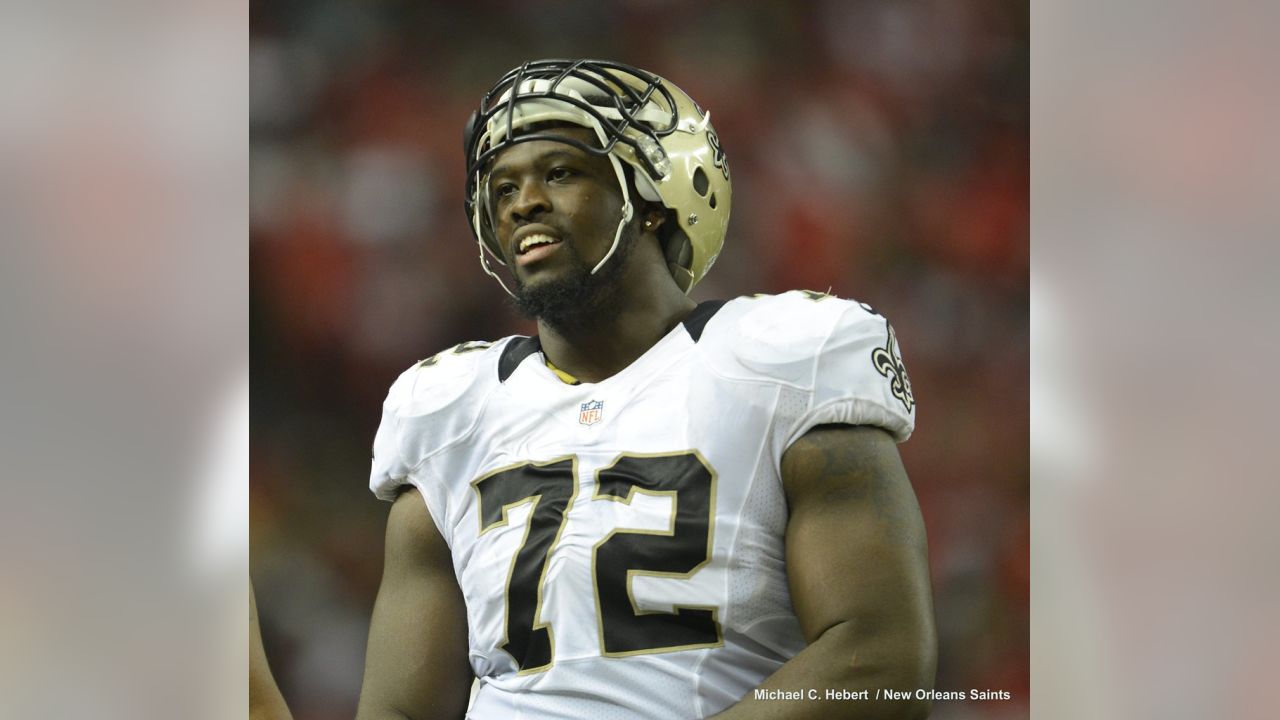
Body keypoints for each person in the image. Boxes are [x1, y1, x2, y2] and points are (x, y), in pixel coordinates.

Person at [357, 59, 936, 719]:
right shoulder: (447, 412)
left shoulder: (782, 361)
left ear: (658, 199)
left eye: (560, 173)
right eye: (502, 187)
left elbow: (883, 657)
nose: (523, 203)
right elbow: (398, 710)